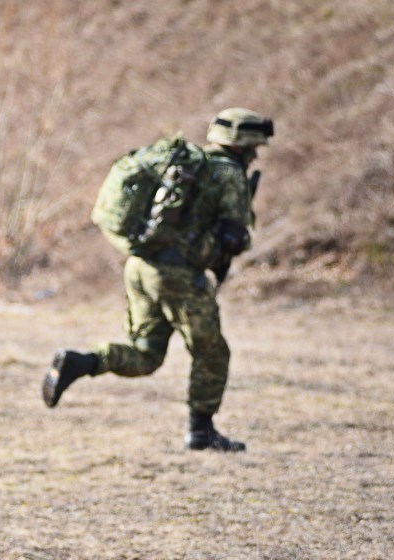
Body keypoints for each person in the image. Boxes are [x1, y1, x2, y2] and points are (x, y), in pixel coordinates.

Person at [42, 108, 274, 452]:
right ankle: (201, 432)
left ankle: (80, 362)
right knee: (212, 352)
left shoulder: (187, 168)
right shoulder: (229, 174)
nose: (255, 155)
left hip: (141, 266)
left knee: (146, 353)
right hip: (176, 275)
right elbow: (233, 236)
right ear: (243, 146)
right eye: (254, 148)